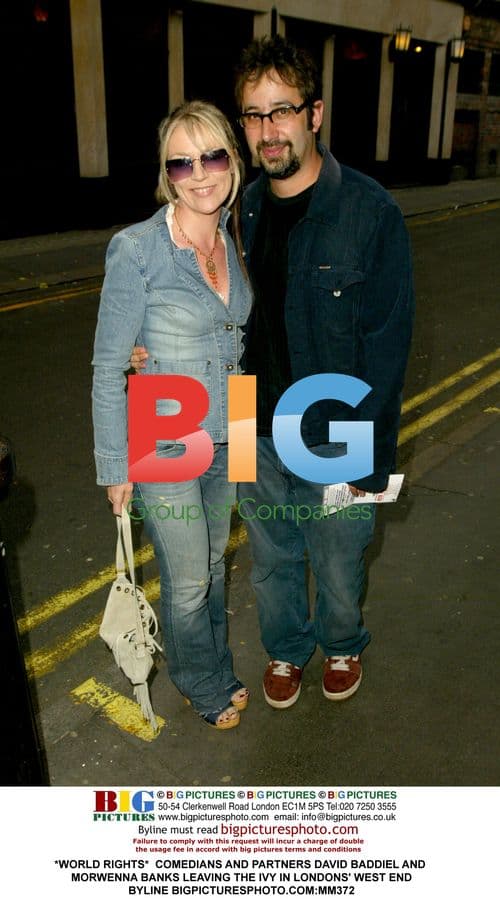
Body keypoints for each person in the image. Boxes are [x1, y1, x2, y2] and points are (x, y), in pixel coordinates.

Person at [132, 36, 414, 710]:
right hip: (248, 420)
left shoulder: (370, 212)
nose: (268, 130)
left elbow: (387, 344)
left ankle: (342, 642)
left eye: (282, 110)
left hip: (335, 427)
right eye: (254, 115)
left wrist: (373, 459)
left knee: (339, 557)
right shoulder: (237, 209)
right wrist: (150, 349)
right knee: (271, 558)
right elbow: (189, 297)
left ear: (314, 114)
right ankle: (287, 648)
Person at [92, 101, 253, 730]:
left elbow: (236, 338)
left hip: (232, 428)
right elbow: (109, 366)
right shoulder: (137, 249)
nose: (200, 173)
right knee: (187, 581)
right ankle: (200, 681)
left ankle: (214, 664)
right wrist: (115, 466)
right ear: (167, 174)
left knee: (213, 566)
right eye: (182, 162)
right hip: (166, 437)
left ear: (231, 161)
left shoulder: (235, 235)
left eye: (212, 155)